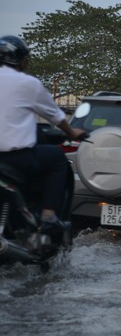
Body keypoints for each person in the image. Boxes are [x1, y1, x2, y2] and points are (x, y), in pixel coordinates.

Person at [0, 35, 85, 233]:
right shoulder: (28, 83)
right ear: (22, 60)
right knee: (56, 157)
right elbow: (56, 117)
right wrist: (72, 133)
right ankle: (48, 214)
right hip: (16, 159)